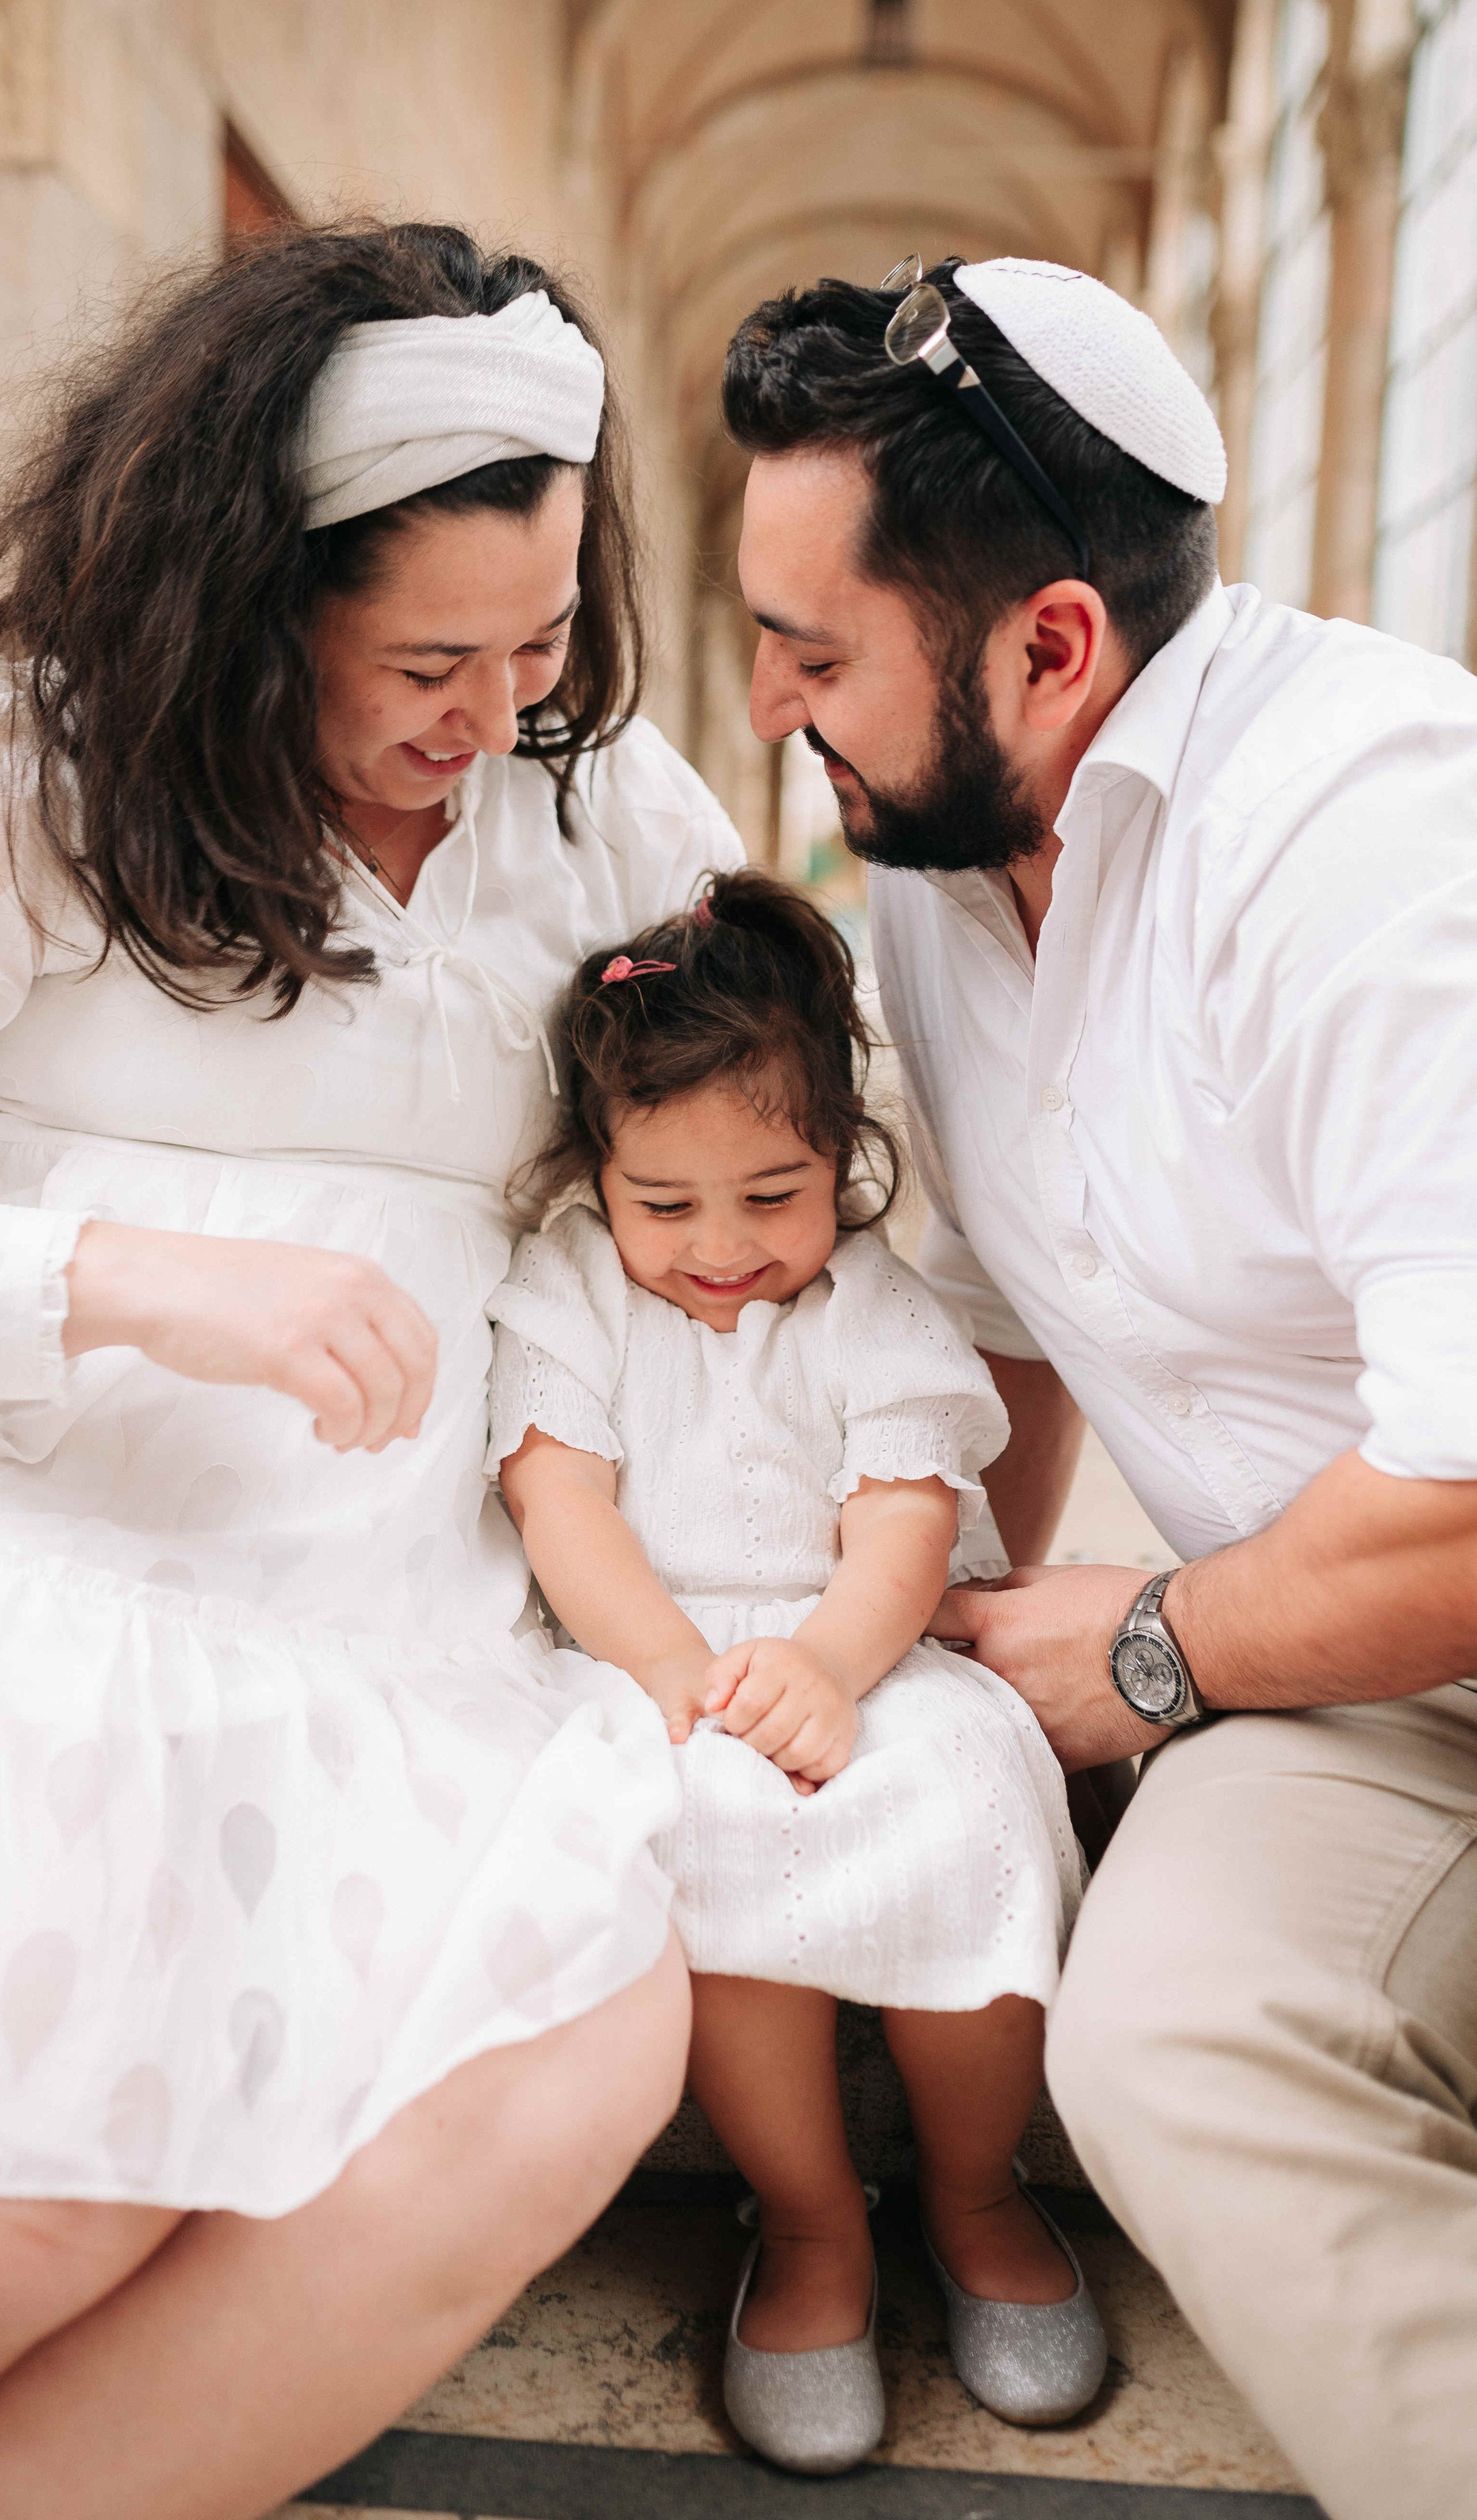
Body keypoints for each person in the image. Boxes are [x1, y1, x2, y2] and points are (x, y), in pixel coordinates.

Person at [0, 219, 743, 2518]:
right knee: (0, 2210)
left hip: (394, 1628)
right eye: (429, 652)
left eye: (541, 637)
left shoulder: (610, 824)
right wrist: (125, 1276)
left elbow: (784, 1162)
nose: (497, 707)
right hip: (22, 1568)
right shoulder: (5, 763)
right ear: (251, 599)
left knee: (576, 2050)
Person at [720, 252, 1477, 2520]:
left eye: (815, 654)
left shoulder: (1389, 831)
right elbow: (1004, 1326)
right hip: (1378, 1677)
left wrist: (1155, 1653)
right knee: (1176, 2048)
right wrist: (920, 1657)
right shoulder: (939, 852)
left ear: (1053, 646)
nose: (771, 697)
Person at [487, 868, 1102, 2474]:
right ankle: (813, 2223)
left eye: (773, 1193)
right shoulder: (567, 1290)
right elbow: (561, 1504)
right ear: (595, 1176)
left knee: (970, 1804)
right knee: (704, 1832)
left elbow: (903, 1520)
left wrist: (829, 1663)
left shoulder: (867, 1305)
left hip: (869, 1648)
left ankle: (974, 2187)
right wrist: (686, 1673)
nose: (720, 1247)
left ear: (842, 1158)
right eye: (664, 1204)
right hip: (657, 1658)